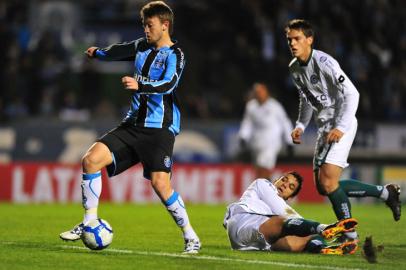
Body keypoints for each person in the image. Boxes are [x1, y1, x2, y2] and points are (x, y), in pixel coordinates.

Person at [59, 1, 201, 253]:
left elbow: (169, 84)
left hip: (160, 129)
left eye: (150, 25)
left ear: (165, 25)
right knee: (90, 160)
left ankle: (190, 236)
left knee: (160, 185)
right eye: (144, 25)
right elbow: (118, 50)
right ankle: (89, 220)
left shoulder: (175, 55)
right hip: (132, 124)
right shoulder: (141, 47)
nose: (146, 30)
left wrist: (140, 85)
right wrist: (98, 53)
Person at [285, 18, 401, 241]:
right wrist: (300, 125)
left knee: (328, 181)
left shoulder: (325, 62)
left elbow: (352, 94)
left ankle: (349, 234)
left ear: (309, 39)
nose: (292, 43)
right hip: (324, 127)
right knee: (323, 186)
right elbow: (306, 99)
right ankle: (386, 193)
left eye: (297, 38)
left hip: (342, 123)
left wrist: (340, 126)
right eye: (289, 39)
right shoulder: (294, 68)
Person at [223, 172, 359, 255]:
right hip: (245, 220)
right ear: (276, 180)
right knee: (282, 221)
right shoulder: (263, 184)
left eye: (291, 187)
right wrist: (319, 229)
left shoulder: (282, 207)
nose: (285, 184)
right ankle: (324, 229)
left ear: (290, 197)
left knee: (300, 241)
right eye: (284, 179)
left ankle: (321, 248)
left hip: (253, 241)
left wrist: (311, 232)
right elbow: (285, 212)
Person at [238, 82, 294, 179]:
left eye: (261, 91)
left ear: (266, 92)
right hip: (256, 142)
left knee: (264, 167)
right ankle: (266, 189)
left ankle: (262, 190)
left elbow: (285, 122)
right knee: (258, 169)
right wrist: (243, 136)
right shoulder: (251, 106)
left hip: (271, 142)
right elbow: (247, 123)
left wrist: (289, 141)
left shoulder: (275, 106)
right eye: (257, 92)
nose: (259, 94)